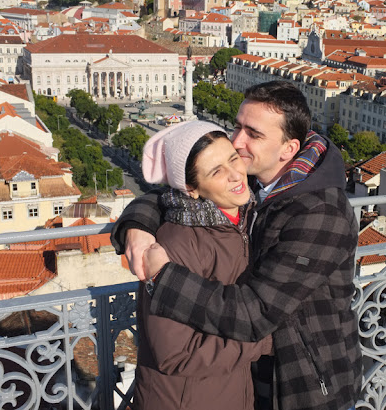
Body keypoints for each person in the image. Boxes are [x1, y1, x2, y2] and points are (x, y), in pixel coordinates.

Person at [111, 81, 362, 410]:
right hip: (251, 378)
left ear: (288, 149)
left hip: (308, 384)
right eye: (238, 127)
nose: (238, 141)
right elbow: (179, 190)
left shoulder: (320, 213)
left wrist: (164, 277)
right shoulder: (260, 179)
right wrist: (136, 225)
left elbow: (254, 313)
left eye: (253, 134)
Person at [133, 120, 271, 410]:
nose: (235, 174)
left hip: (231, 392)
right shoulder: (174, 245)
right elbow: (175, 354)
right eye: (216, 171)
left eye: (233, 158)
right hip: (184, 400)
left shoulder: (248, 218)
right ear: (191, 189)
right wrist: (263, 339)